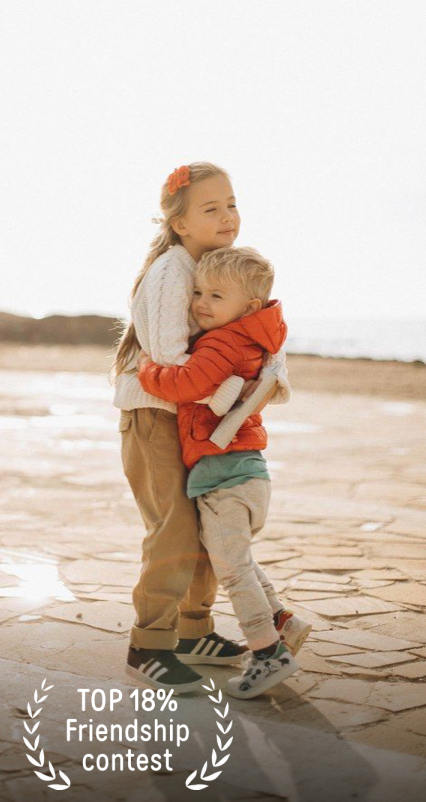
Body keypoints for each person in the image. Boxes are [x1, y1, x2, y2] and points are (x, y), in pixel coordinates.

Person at [112, 162, 289, 693]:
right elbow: (168, 358)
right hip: (155, 414)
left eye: (231, 204)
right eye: (211, 208)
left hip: (190, 419)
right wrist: (235, 393)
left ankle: (193, 633)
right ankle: (149, 645)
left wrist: (263, 379)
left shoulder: (217, 267)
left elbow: (252, 336)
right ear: (181, 223)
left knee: (205, 524)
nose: (228, 216)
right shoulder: (172, 271)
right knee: (174, 528)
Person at [138, 246, 312, 698]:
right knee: (240, 560)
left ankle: (269, 653)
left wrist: (147, 369)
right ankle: (282, 621)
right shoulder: (257, 338)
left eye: (216, 296)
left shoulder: (222, 342)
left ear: (249, 307)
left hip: (223, 477)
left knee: (232, 571)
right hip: (247, 472)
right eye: (198, 292)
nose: (201, 303)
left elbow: (185, 384)